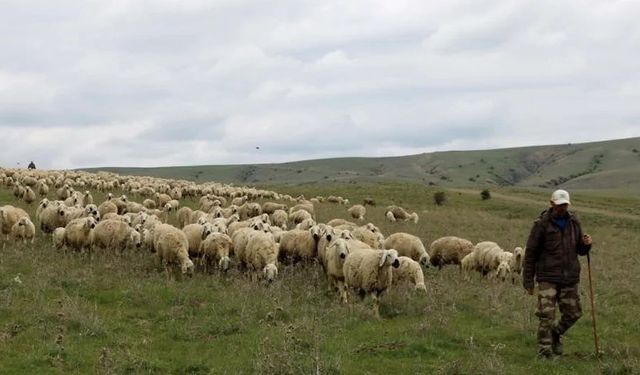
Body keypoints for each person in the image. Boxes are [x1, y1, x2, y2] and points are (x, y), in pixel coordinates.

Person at [523, 189, 592, 358]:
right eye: (560, 205)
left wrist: (587, 245)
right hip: (547, 276)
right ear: (552, 204)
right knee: (546, 315)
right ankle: (544, 352)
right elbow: (531, 253)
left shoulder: (574, 222)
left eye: (565, 205)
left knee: (574, 313)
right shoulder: (541, 224)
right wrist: (528, 281)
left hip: (569, 276)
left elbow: (580, 250)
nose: (563, 208)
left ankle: (556, 333)